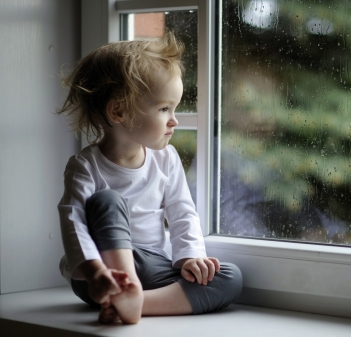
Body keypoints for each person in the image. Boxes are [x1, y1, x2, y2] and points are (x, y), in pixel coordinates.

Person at [56, 32, 242, 324]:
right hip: (99, 273)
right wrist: (95, 273)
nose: (174, 120)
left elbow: (183, 212)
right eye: (164, 108)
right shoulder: (85, 166)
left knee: (229, 277)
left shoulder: (166, 159)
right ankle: (121, 290)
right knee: (107, 200)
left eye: (175, 108)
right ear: (119, 111)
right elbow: (73, 222)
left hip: (152, 266)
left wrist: (190, 257)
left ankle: (135, 302)